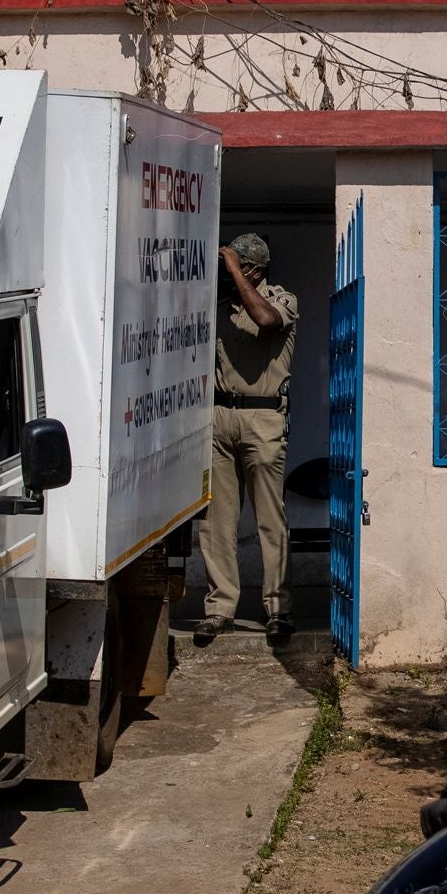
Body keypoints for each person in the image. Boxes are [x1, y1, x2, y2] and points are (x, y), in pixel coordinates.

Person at [197, 235, 301, 647]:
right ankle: (220, 608)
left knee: (269, 519)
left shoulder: (281, 299)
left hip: (263, 416)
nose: (228, 277)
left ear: (255, 270)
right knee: (216, 522)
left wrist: (237, 274)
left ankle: (278, 608)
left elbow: (266, 322)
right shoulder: (222, 309)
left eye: (238, 268)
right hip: (221, 415)